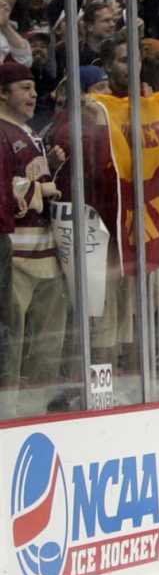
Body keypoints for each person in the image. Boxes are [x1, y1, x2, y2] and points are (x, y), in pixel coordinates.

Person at [0, 60, 64, 409]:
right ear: (2, 93)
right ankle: (8, 417)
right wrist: (42, 191)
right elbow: (6, 188)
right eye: (24, 88)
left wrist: (48, 172)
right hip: (17, 257)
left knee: (46, 348)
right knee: (11, 349)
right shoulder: (1, 131)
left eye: (33, 87)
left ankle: (38, 414)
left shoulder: (30, 133)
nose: (34, 94)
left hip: (47, 256)